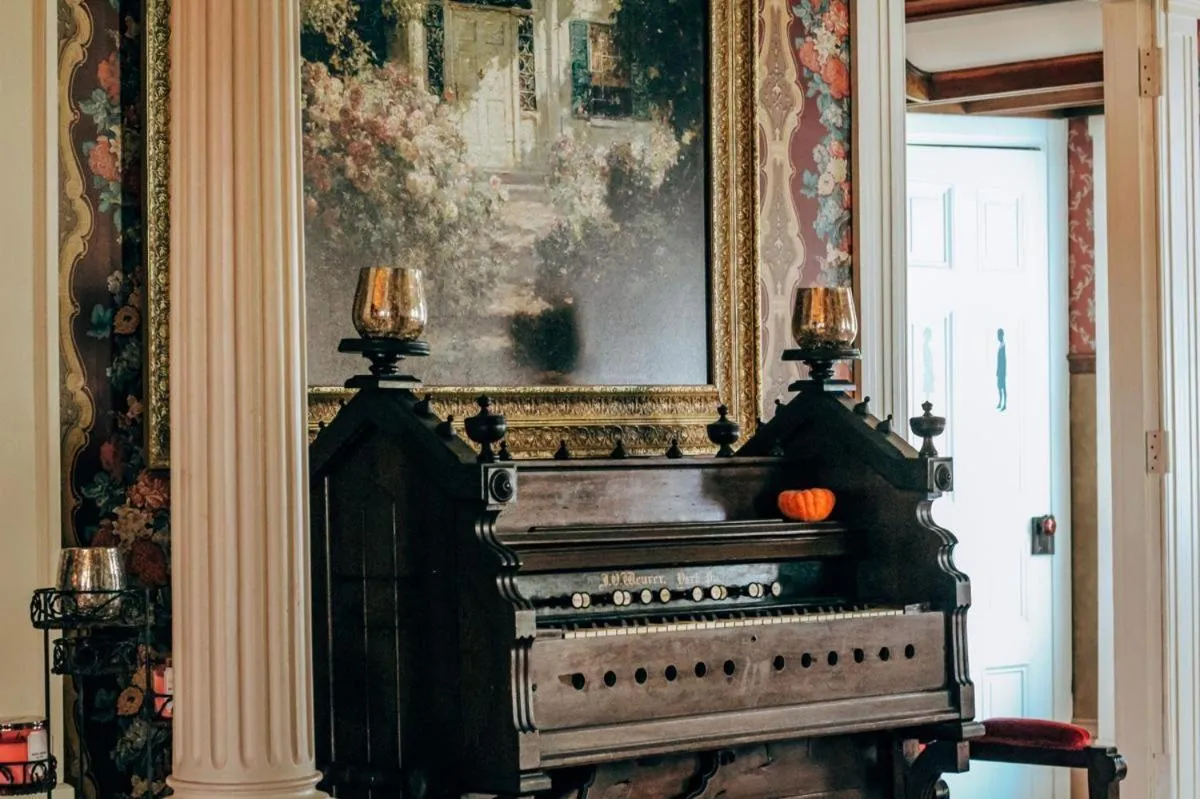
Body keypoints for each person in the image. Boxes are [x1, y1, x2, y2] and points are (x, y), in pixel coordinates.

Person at [996, 328, 1007, 412]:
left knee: (1003, 387)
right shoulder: (1000, 345)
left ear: (1001, 335)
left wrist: (1002, 371)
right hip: (999, 371)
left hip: (1002, 371)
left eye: (998, 335)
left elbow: (1003, 360)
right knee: (999, 387)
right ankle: (1000, 401)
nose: (997, 337)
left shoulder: (1003, 346)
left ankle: (1004, 404)